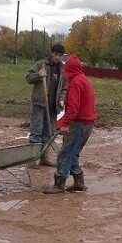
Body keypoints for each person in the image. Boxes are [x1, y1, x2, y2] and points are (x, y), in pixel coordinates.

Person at [43, 54, 96, 194]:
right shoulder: (84, 80)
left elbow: (73, 108)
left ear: (70, 69)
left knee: (65, 153)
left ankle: (59, 184)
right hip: (87, 123)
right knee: (73, 153)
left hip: (79, 123)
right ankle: (79, 183)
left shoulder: (76, 83)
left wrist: (65, 124)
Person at [26, 43, 67, 167]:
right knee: (36, 131)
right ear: (51, 53)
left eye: (60, 55)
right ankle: (33, 159)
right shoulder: (41, 64)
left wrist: (61, 99)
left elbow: (65, 87)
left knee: (49, 133)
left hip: (53, 107)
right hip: (40, 103)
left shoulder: (62, 69)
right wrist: (38, 75)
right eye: (56, 54)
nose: (57, 57)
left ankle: (44, 158)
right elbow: (28, 78)